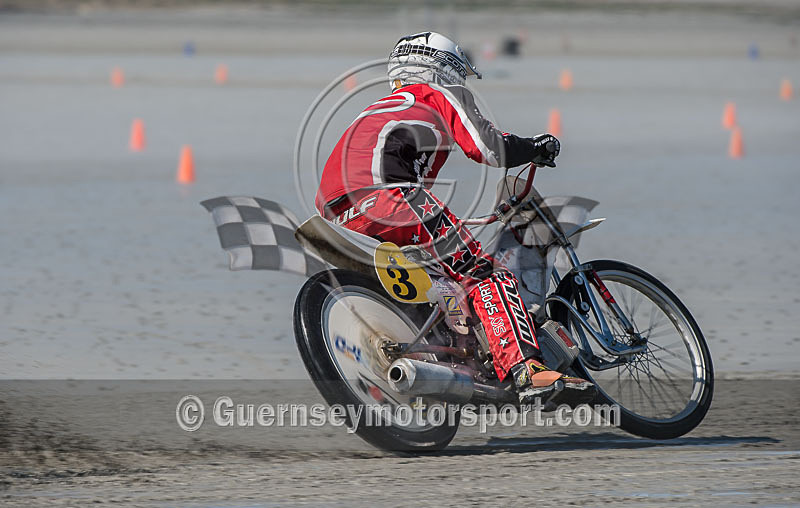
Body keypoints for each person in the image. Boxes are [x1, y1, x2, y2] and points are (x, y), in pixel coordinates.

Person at [315, 31, 595, 408]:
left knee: (442, 278)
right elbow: (488, 147)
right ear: (442, 68)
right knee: (483, 273)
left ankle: (447, 354)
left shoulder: (380, 108)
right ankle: (527, 369)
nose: (461, 81)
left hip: (338, 211)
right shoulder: (439, 94)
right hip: (389, 197)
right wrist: (533, 147)